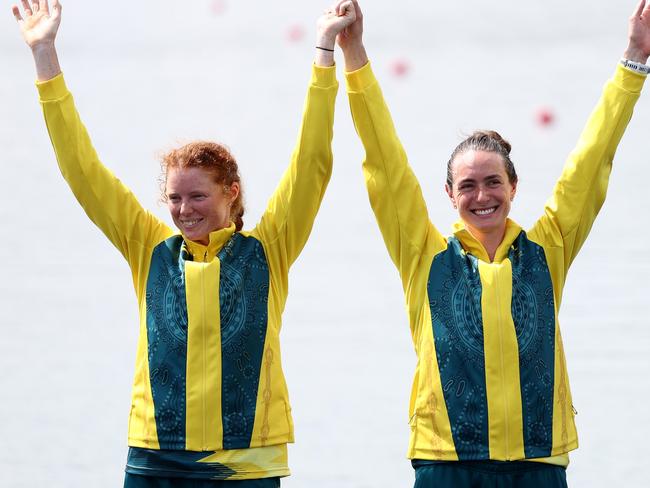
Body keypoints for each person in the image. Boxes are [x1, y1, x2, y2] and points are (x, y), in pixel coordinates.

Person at [11, 0, 357, 486]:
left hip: (245, 460)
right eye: (174, 197)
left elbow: (312, 163)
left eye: (197, 195)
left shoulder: (269, 247)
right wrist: (43, 54)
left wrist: (324, 52)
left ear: (231, 192)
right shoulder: (149, 248)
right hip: (155, 455)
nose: (184, 209)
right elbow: (81, 169)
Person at [337, 0, 649, 486]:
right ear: (449, 194)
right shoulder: (425, 254)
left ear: (513, 186)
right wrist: (354, 55)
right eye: (467, 186)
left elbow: (594, 158)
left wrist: (633, 61)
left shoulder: (548, 247)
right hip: (446, 462)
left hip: (537, 461)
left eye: (493, 182)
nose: (481, 196)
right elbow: (384, 161)